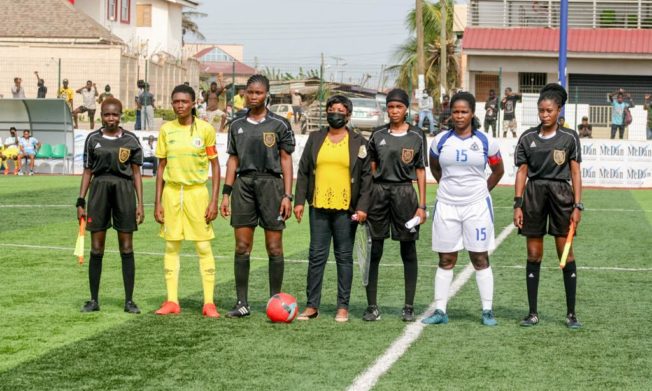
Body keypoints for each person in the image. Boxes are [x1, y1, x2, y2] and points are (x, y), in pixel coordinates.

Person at [422, 91, 504, 327]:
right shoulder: (440, 141)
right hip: (447, 206)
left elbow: (498, 171)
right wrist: (449, 188)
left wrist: (481, 191)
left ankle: (487, 310)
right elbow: (435, 167)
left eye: (464, 112)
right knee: (446, 259)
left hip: (477, 207)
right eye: (455, 112)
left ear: (472, 113)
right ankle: (440, 310)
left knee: (480, 257)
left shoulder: (486, 141)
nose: (459, 116)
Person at [220, 74, 295, 318]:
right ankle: (242, 303)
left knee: (274, 247)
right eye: (250, 92)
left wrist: (287, 195)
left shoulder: (280, 124)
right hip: (243, 186)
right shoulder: (236, 124)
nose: (253, 96)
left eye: (258, 92)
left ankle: (276, 302)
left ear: (267, 95)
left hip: (271, 186)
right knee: (242, 247)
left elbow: (286, 160)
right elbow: (233, 159)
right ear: (244, 94)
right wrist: (225, 194)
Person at [293, 95, 372, 322]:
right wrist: (299, 201)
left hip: (346, 210)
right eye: (331, 109)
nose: (335, 113)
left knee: (344, 257)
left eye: (340, 110)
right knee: (316, 256)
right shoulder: (316, 138)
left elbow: (367, 179)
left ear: (348, 115)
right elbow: (305, 170)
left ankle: (342, 307)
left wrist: (363, 207)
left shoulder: (359, 142)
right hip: (318, 206)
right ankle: (311, 306)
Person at [513, 83, 583, 329]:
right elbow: (522, 172)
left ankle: (571, 314)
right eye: (541, 110)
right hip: (533, 196)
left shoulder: (569, 137)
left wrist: (578, 205)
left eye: (549, 110)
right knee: (534, 254)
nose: (544, 115)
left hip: (562, 196)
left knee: (566, 254)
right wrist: (517, 204)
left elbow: (575, 173)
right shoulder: (528, 138)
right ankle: (532, 313)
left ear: (558, 111)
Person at [154, 84, 221, 318]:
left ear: (193, 103)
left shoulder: (205, 129)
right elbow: (161, 167)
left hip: (197, 194)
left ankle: (209, 302)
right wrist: (157, 202)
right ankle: (172, 300)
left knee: (203, 246)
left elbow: (215, 165)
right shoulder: (166, 130)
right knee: (171, 246)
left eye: (184, 101)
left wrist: (214, 201)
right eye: (175, 101)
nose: (179, 105)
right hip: (172, 193)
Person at [363, 89, 427, 322]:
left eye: (398, 107)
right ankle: (372, 306)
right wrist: (368, 198)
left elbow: (420, 170)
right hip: (379, 194)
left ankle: (408, 306)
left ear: (406, 109)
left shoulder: (417, 135)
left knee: (407, 250)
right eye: (391, 107)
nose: (394, 111)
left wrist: (422, 205)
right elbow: (371, 167)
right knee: (375, 250)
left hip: (405, 194)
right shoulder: (377, 134)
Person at [77, 97, 144, 314]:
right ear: (101, 115)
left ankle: (129, 301)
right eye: (107, 114)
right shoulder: (92, 139)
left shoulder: (131, 140)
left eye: (115, 114)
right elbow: (88, 171)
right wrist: (81, 200)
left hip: (124, 191)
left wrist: (140, 203)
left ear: (120, 115)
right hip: (99, 191)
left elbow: (136, 174)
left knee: (126, 247)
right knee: (97, 248)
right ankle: (93, 300)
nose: (111, 118)